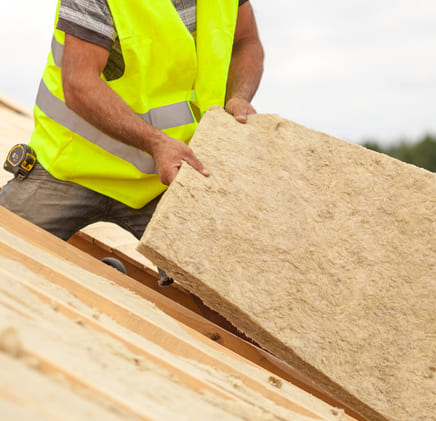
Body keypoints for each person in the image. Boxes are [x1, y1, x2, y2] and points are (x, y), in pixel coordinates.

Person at [0, 0, 264, 250]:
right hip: (73, 168)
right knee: (8, 247)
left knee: (213, 284)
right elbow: (79, 84)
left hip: (169, 176)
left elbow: (246, 42)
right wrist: (156, 143)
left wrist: (238, 97)